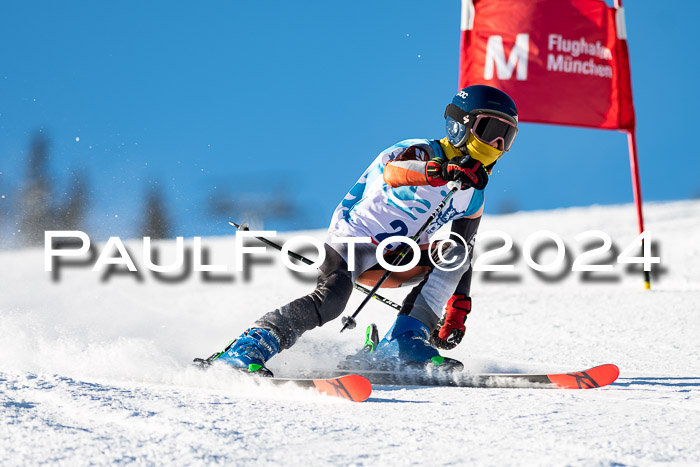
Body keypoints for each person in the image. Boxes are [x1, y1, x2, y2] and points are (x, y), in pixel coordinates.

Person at [203, 85, 519, 376]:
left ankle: (406, 340)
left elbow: (463, 247)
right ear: (460, 125)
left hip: (398, 260)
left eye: (507, 136)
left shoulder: (474, 196)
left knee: (455, 251)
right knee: (332, 300)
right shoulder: (423, 151)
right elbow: (396, 172)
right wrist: (439, 170)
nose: (497, 144)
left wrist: (459, 304)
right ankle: (246, 349)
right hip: (353, 241)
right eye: (491, 129)